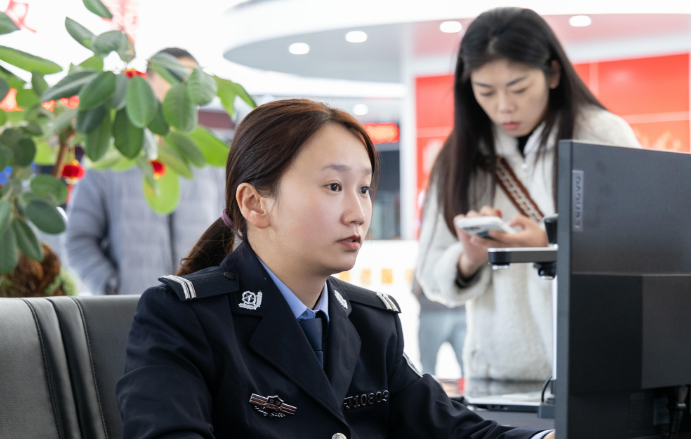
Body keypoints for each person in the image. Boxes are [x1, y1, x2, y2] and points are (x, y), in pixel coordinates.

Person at [116, 99, 554, 439]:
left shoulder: (371, 322)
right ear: (254, 203)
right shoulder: (183, 317)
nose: (358, 213)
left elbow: (454, 430)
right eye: (333, 186)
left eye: (363, 189)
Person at [415, 7, 641, 381]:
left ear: (552, 73)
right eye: (485, 91)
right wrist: (469, 259)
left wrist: (548, 248)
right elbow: (430, 274)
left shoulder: (602, 136)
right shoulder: (460, 155)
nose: (503, 106)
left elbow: (642, 250)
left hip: (594, 371)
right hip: (499, 376)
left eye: (518, 88)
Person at [65, 48, 226, 296]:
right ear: (146, 83)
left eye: (192, 80)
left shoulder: (211, 157)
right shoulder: (109, 157)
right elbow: (79, 239)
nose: (184, 87)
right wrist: (112, 287)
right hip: (132, 306)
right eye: (173, 76)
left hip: (200, 306)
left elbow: (231, 233)